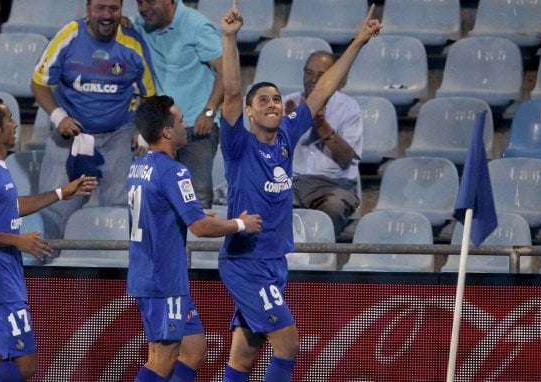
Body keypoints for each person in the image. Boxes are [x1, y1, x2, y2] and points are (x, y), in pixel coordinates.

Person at [218, 1, 381, 380]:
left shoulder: (288, 135)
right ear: (250, 113)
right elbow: (230, 93)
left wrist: (358, 41)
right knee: (288, 343)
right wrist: (229, 38)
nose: (273, 104)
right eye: (264, 101)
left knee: (243, 356)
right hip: (247, 263)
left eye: (276, 99)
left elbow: (324, 88)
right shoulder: (238, 144)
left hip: (274, 260)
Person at [0, 95, 98, 381]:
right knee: (24, 366)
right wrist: (17, 240)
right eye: (9, 118)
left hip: (2, 278)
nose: (15, 123)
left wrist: (61, 193)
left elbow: (12, 207)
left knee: (6, 365)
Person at [127, 95, 262, 381]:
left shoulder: (139, 164)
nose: (185, 125)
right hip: (163, 279)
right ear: (167, 132)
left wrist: (191, 213)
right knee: (161, 361)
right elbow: (200, 228)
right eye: (180, 121)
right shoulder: (174, 170)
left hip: (155, 274)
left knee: (194, 349)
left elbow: (159, 209)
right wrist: (240, 223)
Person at [31, 0, 156, 240]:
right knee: (55, 208)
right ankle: (50, 273)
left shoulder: (133, 43)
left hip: (118, 135)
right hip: (70, 137)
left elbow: (149, 95)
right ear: (88, 9)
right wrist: (59, 117)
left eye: (114, 8)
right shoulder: (68, 36)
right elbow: (38, 84)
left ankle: (118, 272)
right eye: (100, 8)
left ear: (121, 10)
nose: (107, 15)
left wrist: (141, 132)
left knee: (123, 210)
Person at [131, 0, 224, 209]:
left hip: (195, 127)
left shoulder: (197, 26)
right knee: (154, 198)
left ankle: (195, 243)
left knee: (196, 199)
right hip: (158, 128)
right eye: (139, 2)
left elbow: (225, 71)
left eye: (150, 2)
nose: (144, 8)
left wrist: (209, 112)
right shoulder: (139, 25)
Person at [283, 51, 363, 238]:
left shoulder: (349, 108)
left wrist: (321, 124)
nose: (312, 80)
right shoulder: (287, 103)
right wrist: (292, 125)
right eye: (309, 73)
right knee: (269, 203)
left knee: (332, 210)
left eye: (321, 75)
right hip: (292, 182)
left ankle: (314, 261)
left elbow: (346, 157)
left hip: (334, 186)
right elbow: (271, 152)